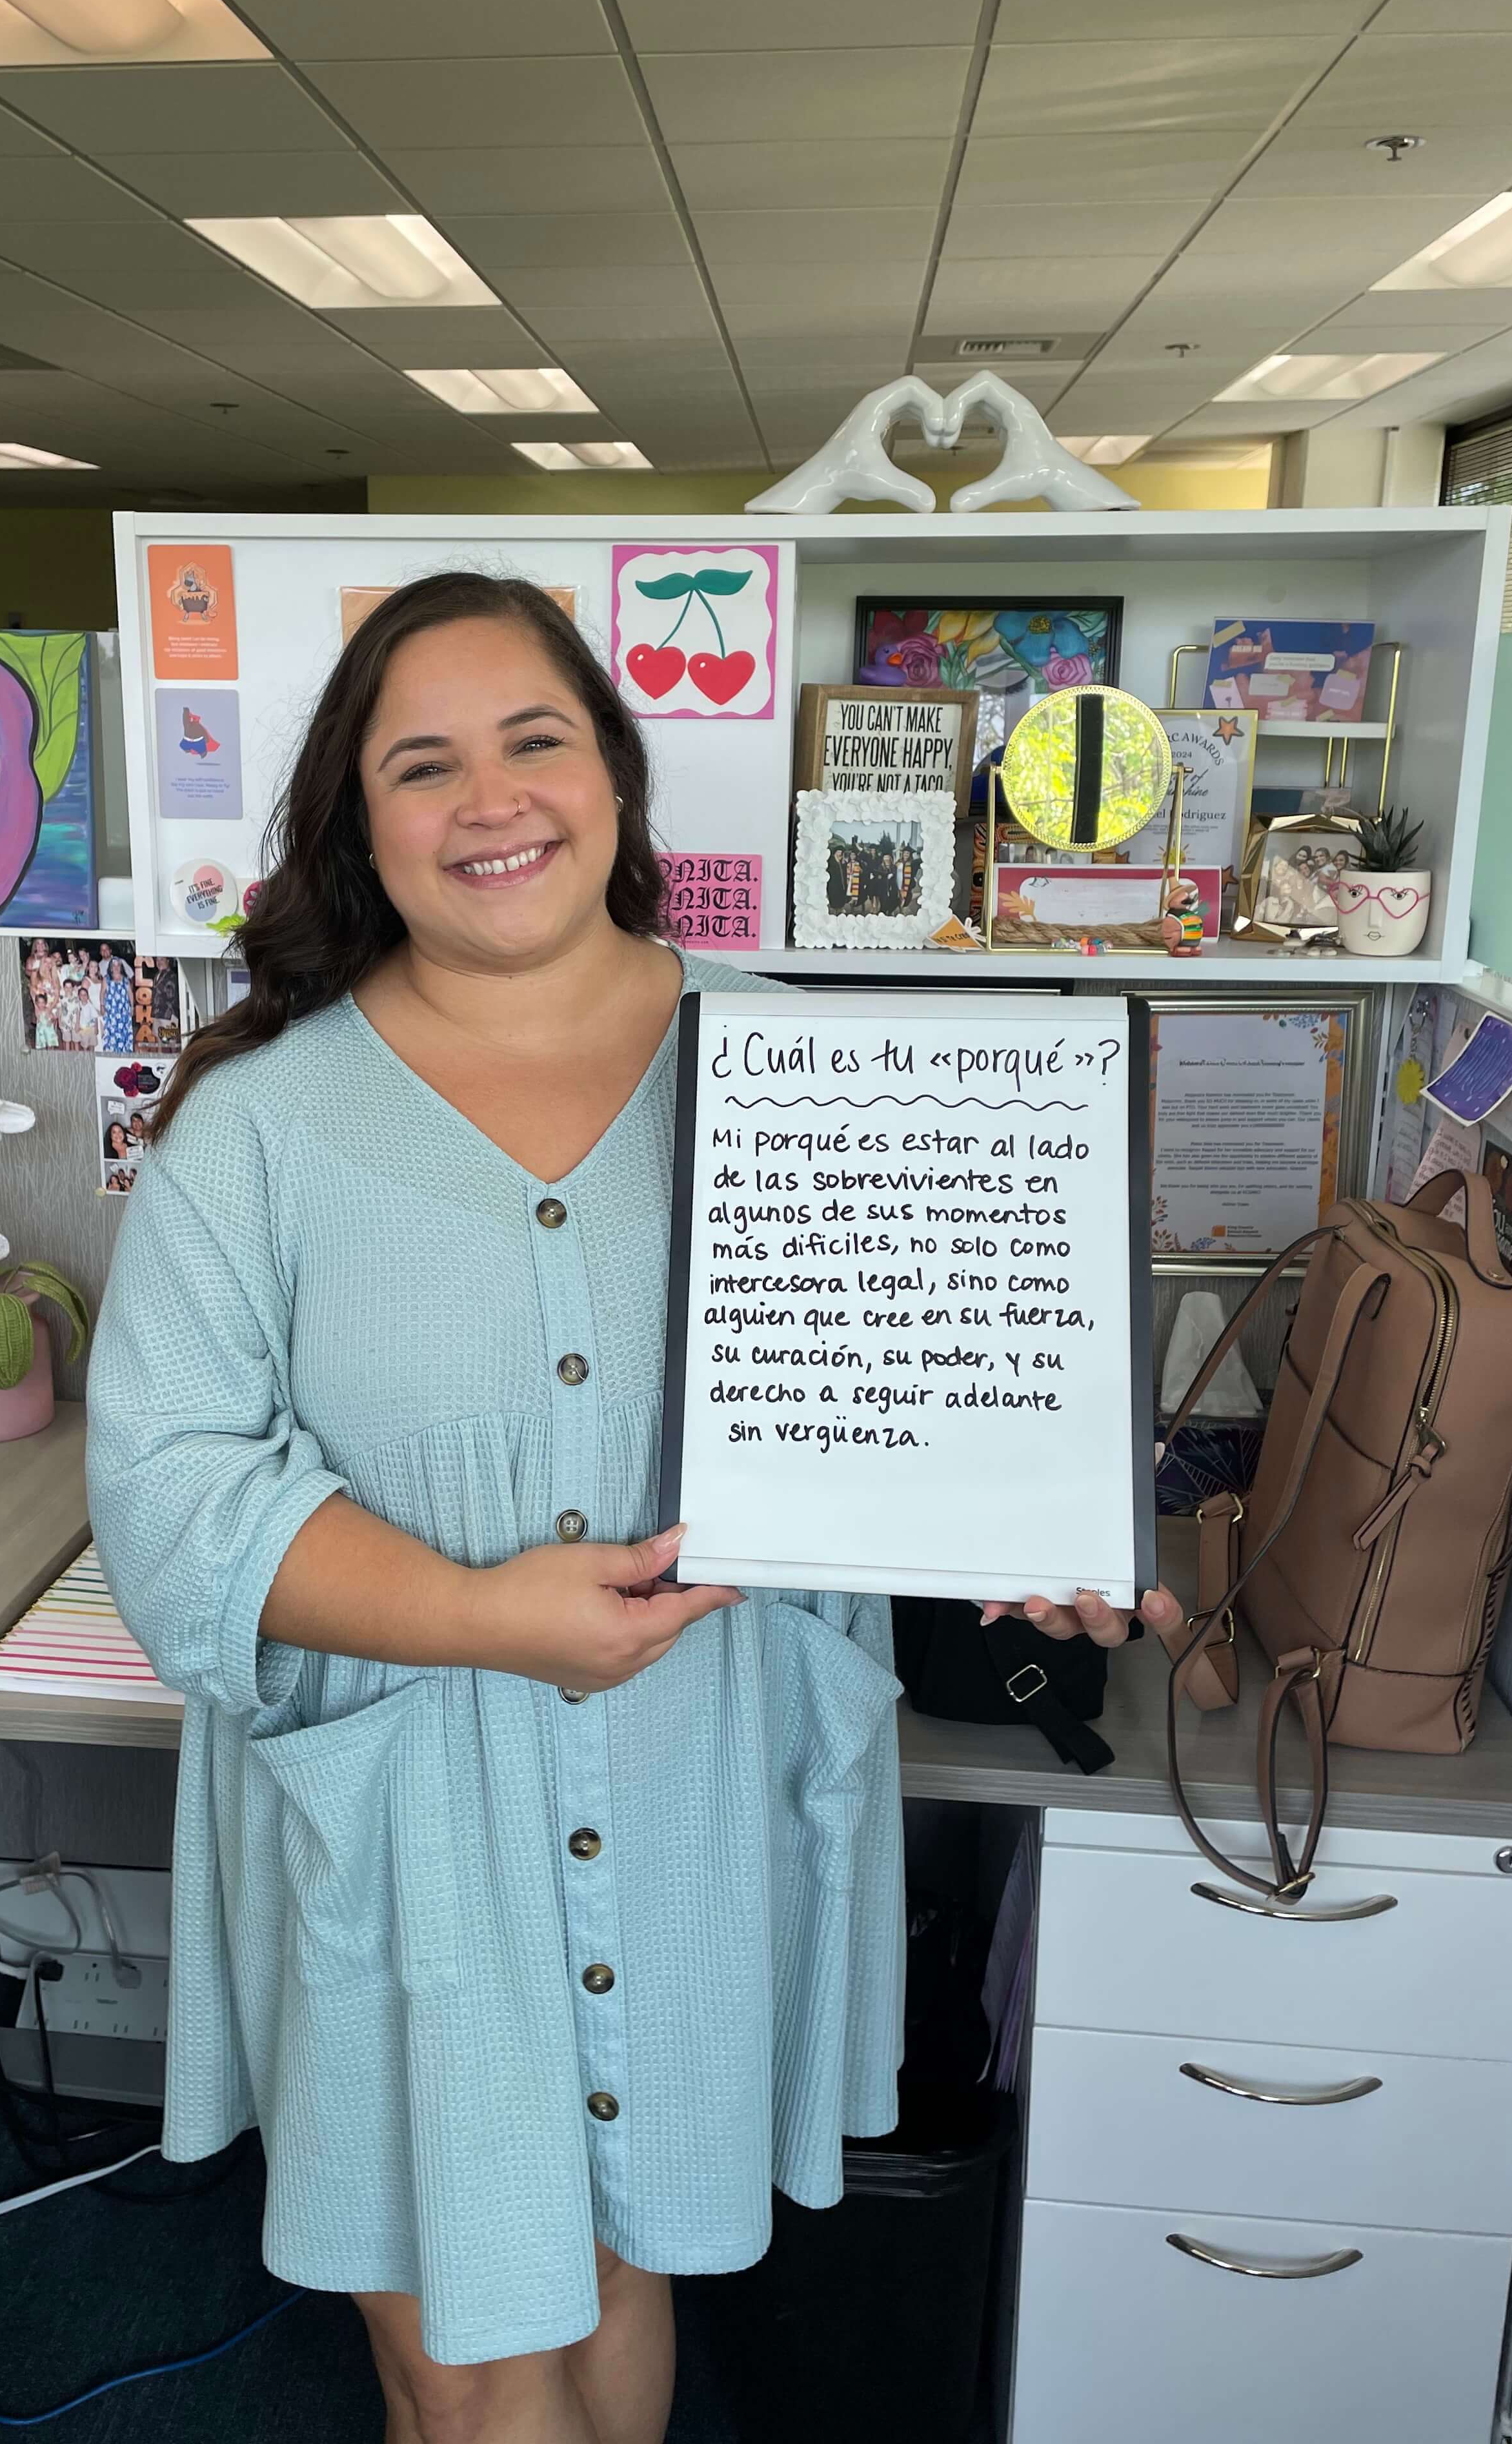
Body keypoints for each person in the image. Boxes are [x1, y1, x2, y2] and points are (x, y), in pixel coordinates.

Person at [86, 575, 1176, 2444]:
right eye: (423, 765)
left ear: (614, 771)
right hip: (412, 1816)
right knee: (474, 2369)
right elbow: (172, 1494)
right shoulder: (259, 1125)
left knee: (616, 2277)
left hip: (698, 1792)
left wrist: (1032, 1536)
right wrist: (483, 1615)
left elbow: (926, 1387)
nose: (490, 800)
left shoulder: (826, 1073)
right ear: (359, 824)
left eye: (535, 741)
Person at [101, 952, 134, 1054]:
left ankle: (124, 1053)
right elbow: (102, 993)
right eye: (114, 966)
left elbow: (130, 994)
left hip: (124, 1012)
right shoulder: (106, 979)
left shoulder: (126, 980)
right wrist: (102, 1006)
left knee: (124, 1032)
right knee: (111, 1033)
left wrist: (132, 1007)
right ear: (111, 968)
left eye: (118, 965)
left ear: (121, 967)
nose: (116, 968)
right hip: (111, 1012)